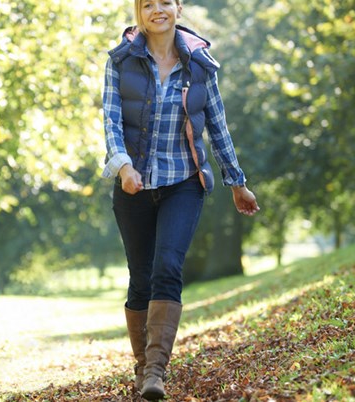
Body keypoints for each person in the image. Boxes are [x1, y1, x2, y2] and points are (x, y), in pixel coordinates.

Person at [101, 0, 260, 399]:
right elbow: (111, 120)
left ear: (178, 8)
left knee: (168, 267)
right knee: (140, 279)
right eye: (148, 4)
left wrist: (236, 181)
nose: (157, 10)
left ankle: (156, 372)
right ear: (138, 11)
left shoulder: (201, 66)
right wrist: (123, 168)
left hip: (183, 182)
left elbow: (218, 126)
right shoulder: (120, 60)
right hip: (133, 185)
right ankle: (142, 367)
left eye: (165, 2)